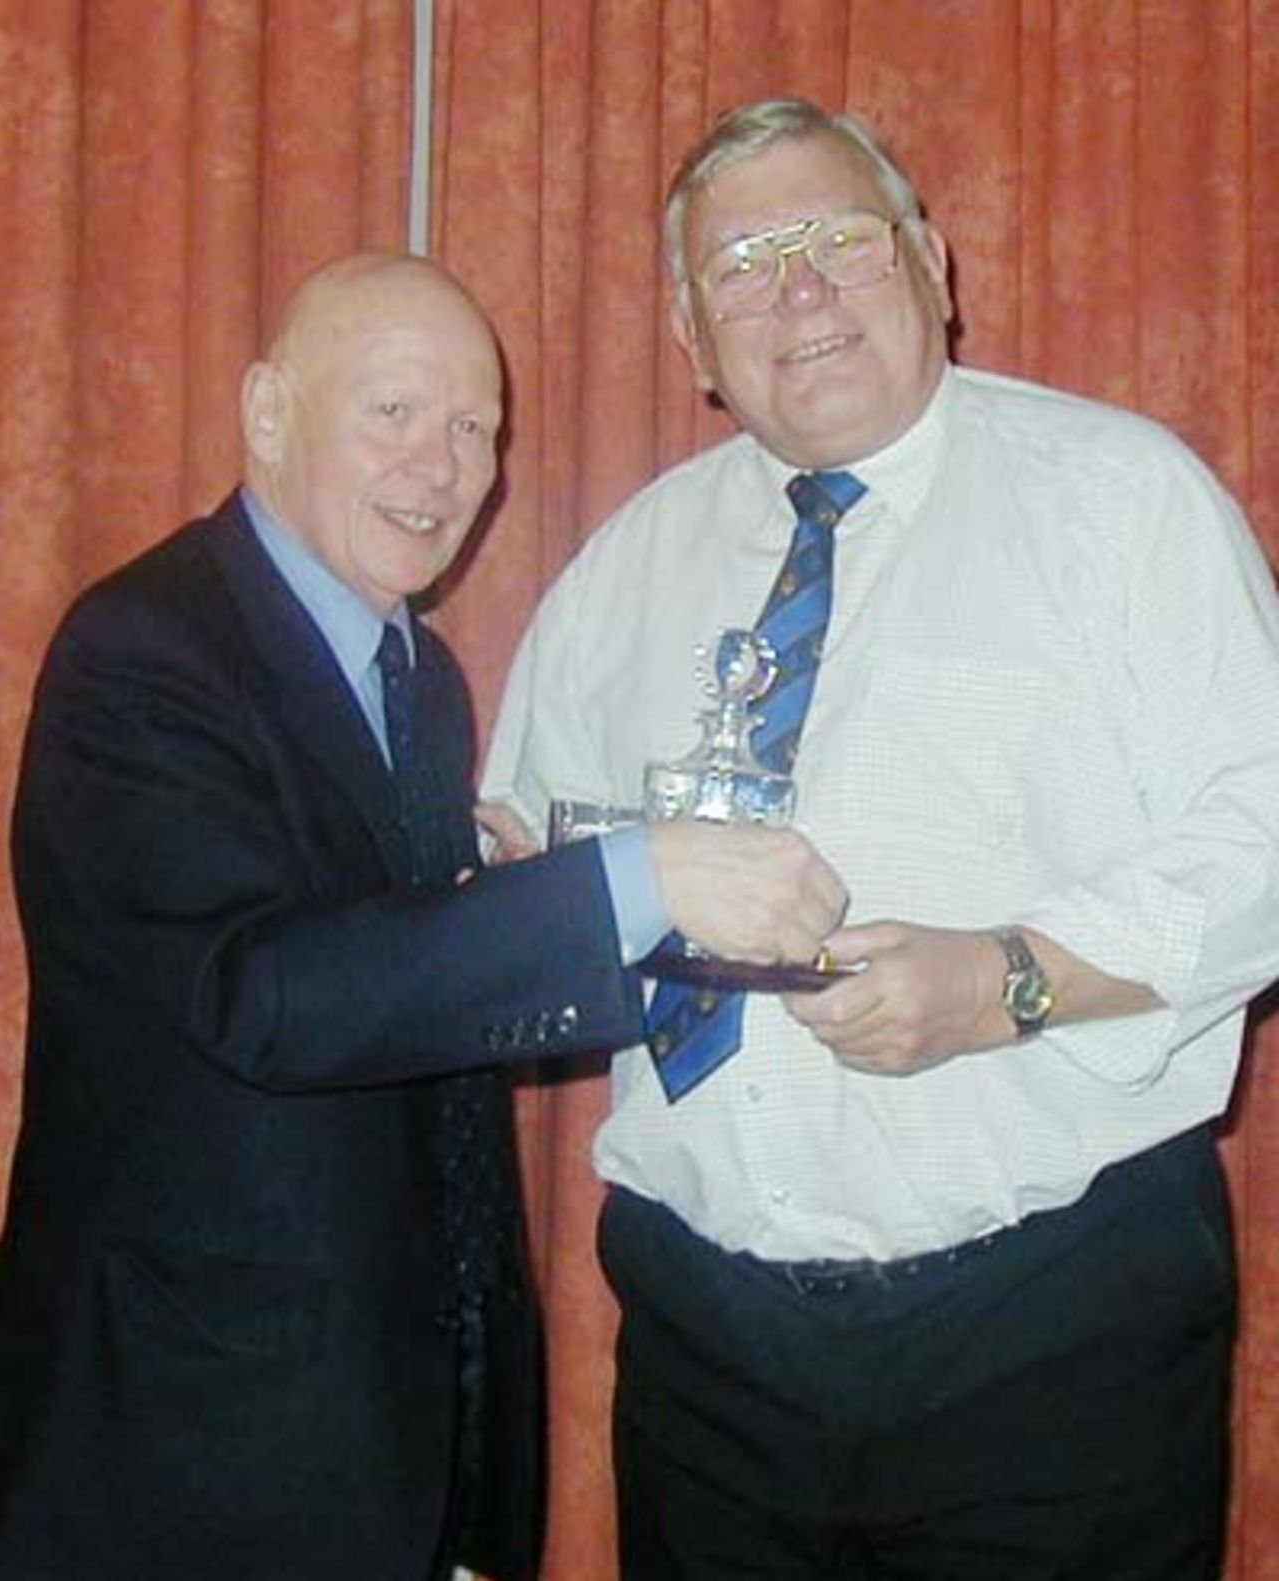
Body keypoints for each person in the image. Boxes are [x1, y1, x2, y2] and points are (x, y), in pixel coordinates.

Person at [484, 99, 1279, 1579]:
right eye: (741, 264)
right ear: (688, 336)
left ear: (930, 261)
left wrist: (1011, 978)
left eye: (836, 240)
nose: (797, 292)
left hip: (1051, 1349)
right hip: (707, 1360)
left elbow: (1265, 844)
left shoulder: (1123, 502)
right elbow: (528, 857)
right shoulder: (622, 568)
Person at [0, 251, 847, 1581]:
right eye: (395, 412)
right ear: (270, 413)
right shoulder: (145, 652)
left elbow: (403, 1007)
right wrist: (633, 879)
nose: (442, 468)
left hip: (405, 1431)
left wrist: (520, 912)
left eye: (476, 431)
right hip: (195, 1443)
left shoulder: (421, 675)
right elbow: (261, 996)